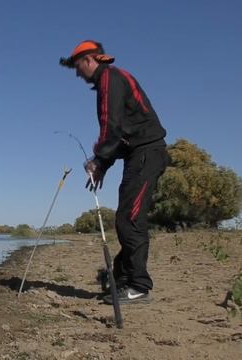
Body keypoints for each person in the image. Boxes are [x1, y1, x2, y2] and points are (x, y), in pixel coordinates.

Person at [60, 40, 169, 305]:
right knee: (125, 218)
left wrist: (98, 158)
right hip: (137, 156)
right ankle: (118, 278)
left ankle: (138, 287)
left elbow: (112, 126)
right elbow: (120, 136)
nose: (77, 74)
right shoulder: (110, 81)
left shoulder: (110, 78)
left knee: (130, 219)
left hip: (147, 154)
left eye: (77, 67)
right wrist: (103, 165)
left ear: (89, 60)